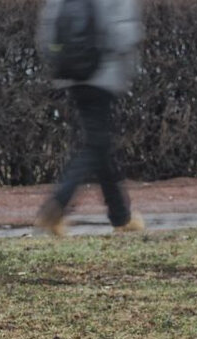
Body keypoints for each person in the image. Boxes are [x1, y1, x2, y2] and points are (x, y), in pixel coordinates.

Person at [35, 0, 144, 236]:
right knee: (96, 145)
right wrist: (127, 69)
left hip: (74, 74)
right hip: (103, 74)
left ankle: (121, 217)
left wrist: (61, 62)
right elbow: (123, 35)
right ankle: (57, 204)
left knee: (100, 145)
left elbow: (48, 28)